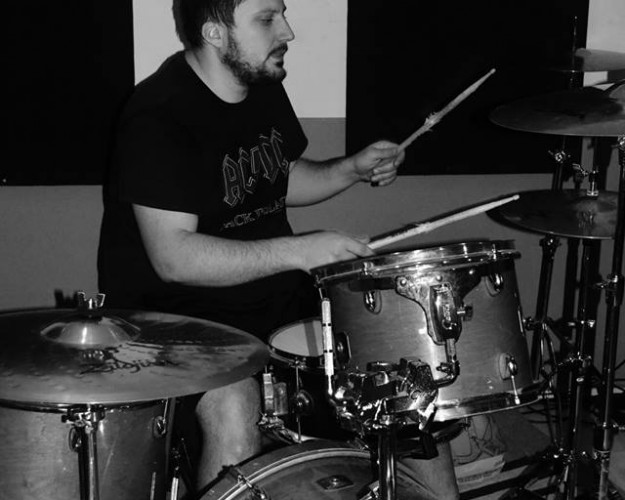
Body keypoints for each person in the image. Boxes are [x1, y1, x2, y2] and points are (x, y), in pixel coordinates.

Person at [97, 0, 459, 497]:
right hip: (172, 319)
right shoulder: (158, 116)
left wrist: (350, 169)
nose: (287, 31)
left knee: (403, 374)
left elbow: (277, 178)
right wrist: (299, 252)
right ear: (215, 33)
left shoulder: (260, 86)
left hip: (272, 298)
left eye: (282, 14)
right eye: (267, 19)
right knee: (234, 406)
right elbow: (174, 258)